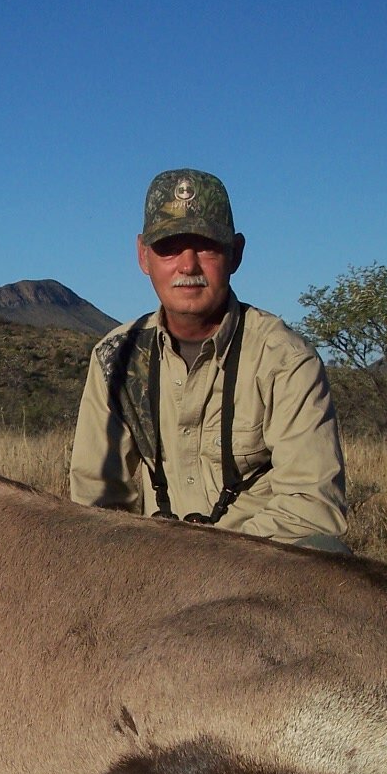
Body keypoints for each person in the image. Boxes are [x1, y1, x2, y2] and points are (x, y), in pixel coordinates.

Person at [69, 168, 349, 552]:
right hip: (153, 566)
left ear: (236, 253)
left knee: (327, 552)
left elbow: (313, 509)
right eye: (169, 247)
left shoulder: (285, 359)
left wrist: (204, 565)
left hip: (259, 569)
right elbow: (95, 502)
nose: (188, 266)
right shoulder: (114, 359)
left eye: (206, 246)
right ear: (143, 256)